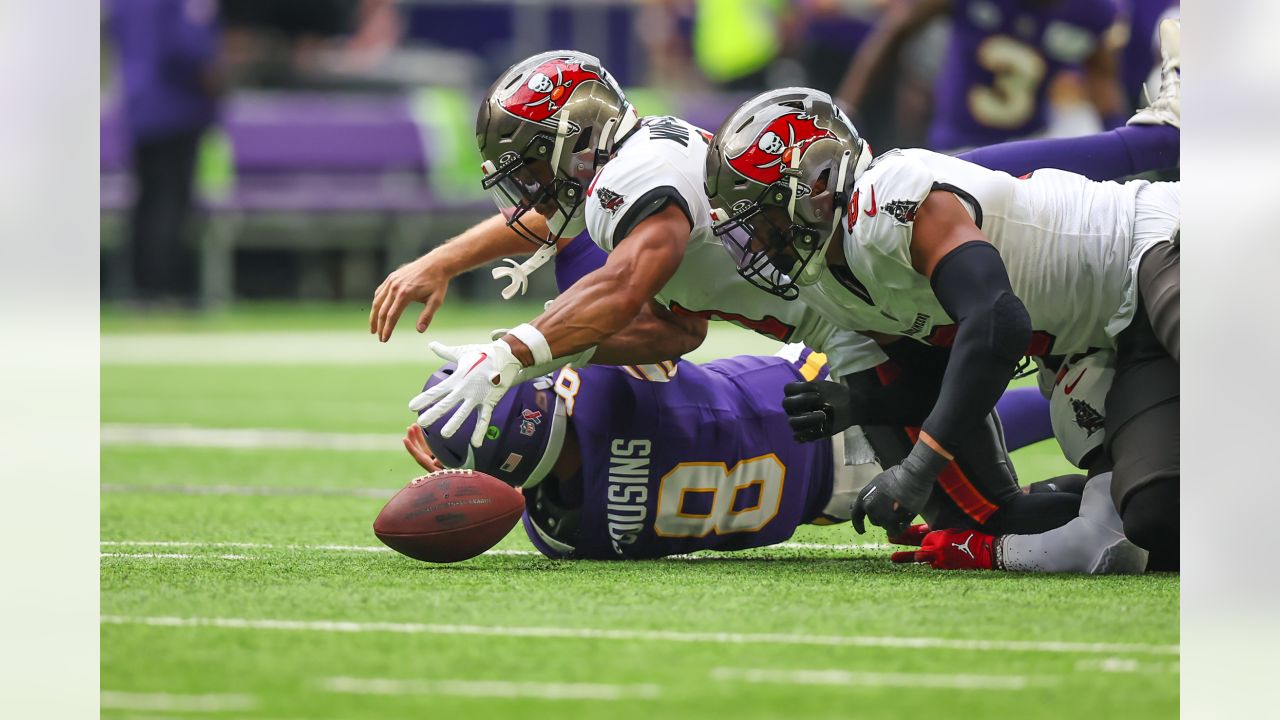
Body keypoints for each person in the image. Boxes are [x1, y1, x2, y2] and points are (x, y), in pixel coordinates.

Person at [378, 48, 1178, 542]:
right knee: (975, 510)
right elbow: (667, 331)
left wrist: (518, 349)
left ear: (576, 142)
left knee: (1002, 210)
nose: (519, 192)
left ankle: (1165, 135)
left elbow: (627, 285)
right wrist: (483, 307)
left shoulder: (632, 183)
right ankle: (1125, 505)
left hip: (862, 288)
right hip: (854, 311)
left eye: (526, 166)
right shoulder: (622, 182)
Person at [701, 23, 1180, 568]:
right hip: (1103, 344)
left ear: (811, 189)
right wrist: (860, 406)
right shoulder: (829, 284)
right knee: (1156, 517)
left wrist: (919, 466)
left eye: (762, 217)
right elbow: (939, 380)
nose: (757, 242)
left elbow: (999, 320)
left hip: (1153, 249)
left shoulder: (885, 199)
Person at [402, 349, 1145, 573]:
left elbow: (524, 483)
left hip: (827, 502)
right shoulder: (595, 389)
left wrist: (461, 478)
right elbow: (629, 314)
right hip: (823, 406)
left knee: (1012, 447)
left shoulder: (570, 534)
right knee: (1032, 401)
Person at [836, 0, 1128, 152]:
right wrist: (845, 109)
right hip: (956, 146)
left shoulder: (1092, 11)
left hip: (1029, 149)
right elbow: (898, 29)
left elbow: (1101, 80)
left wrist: (1125, 144)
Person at [107, 0, 222, 304]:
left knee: (147, 198)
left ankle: (140, 288)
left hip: (138, 102)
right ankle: (165, 288)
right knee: (171, 201)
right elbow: (187, 45)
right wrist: (215, 79)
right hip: (176, 104)